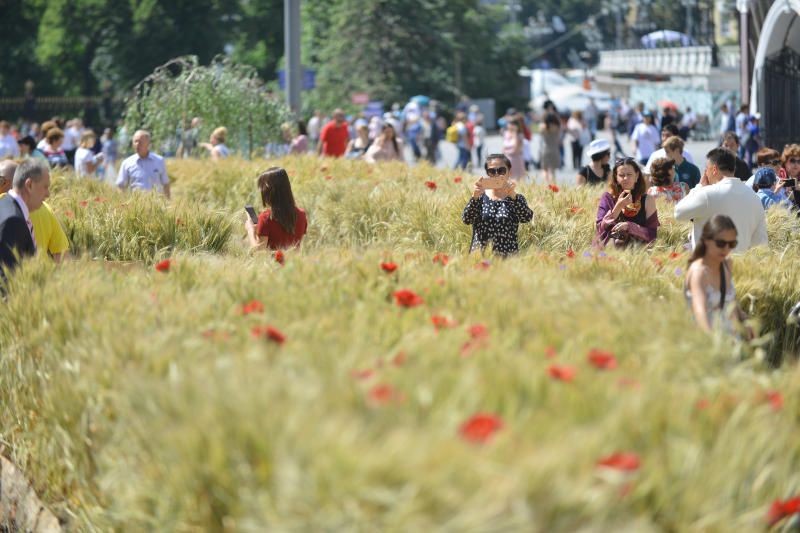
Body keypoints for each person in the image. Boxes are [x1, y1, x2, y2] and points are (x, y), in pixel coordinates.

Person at [674, 147, 767, 253]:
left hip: (708, 266)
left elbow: (678, 213)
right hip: (741, 266)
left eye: (706, 169)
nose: (705, 174)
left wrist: (699, 187)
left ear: (714, 170)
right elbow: (761, 243)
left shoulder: (706, 194)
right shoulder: (754, 198)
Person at [685, 215, 750, 337]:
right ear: (706, 241)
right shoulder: (699, 272)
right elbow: (700, 313)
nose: (726, 249)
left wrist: (745, 320)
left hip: (733, 341)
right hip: (711, 343)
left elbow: (729, 302)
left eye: (732, 244)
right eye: (720, 243)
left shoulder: (727, 264)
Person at [462, 153, 533, 256]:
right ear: (487, 174)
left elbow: (526, 218)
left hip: (508, 259)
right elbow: (466, 219)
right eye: (491, 171)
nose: (496, 175)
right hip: (480, 258)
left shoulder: (516, 198)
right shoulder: (480, 197)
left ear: (509, 172)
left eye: (501, 171)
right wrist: (475, 198)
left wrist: (513, 196)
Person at [0, 159, 50, 280]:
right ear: (29, 185)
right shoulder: (13, 221)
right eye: (45, 187)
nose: (48, 194)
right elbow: (7, 282)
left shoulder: (6, 205)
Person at [595, 157, 659, 248]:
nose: (625, 178)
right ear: (616, 177)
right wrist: (618, 207)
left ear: (636, 176)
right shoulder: (607, 197)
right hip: (611, 249)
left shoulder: (648, 200)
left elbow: (652, 234)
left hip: (639, 249)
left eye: (629, 174)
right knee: (618, 240)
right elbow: (601, 230)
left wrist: (630, 227)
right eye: (621, 175)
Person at [245, 167, 307, 251]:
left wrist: (250, 230)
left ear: (267, 191)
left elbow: (259, 252)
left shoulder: (266, 218)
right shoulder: (302, 215)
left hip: (273, 264)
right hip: (294, 263)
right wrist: (260, 229)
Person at [116, 130, 170, 198]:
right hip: (135, 206)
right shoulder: (126, 163)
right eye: (135, 141)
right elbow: (120, 186)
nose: (137, 144)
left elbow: (166, 184)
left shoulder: (159, 160)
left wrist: (168, 203)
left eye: (140, 142)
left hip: (156, 205)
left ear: (148, 143)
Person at [539, 111, 561, 185]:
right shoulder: (557, 127)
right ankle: (553, 186)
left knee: (544, 170)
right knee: (552, 171)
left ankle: (546, 184)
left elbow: (540, 130)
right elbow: (558, 140)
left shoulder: (543, 127)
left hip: (545, 149)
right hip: (555, 149)